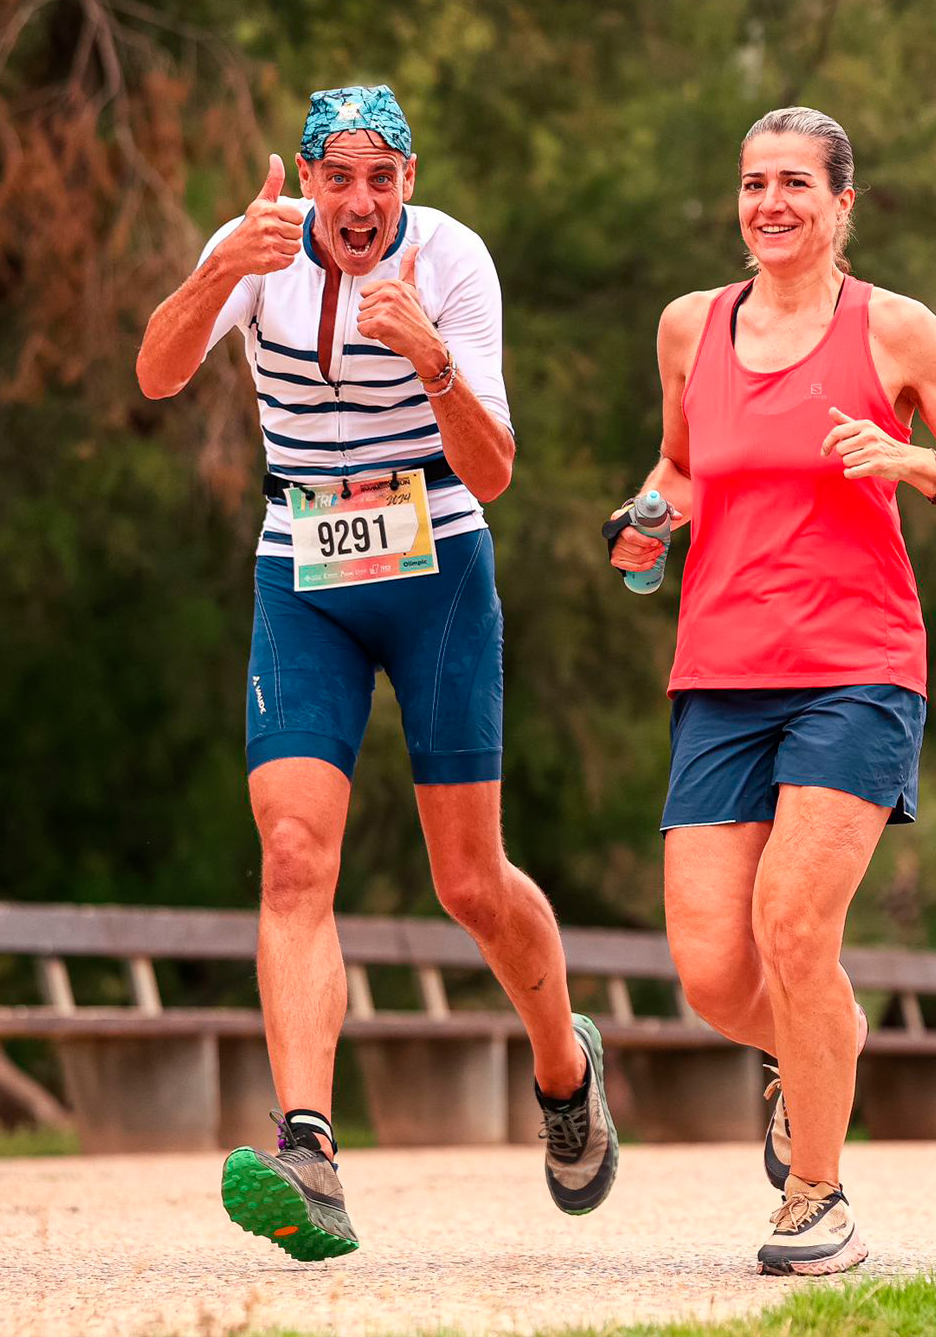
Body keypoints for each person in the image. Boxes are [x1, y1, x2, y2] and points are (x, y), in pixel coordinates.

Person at [136, 85, 616, 1261]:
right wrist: (212, 279)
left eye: (382, 179)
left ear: (409, 180)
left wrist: (432, 359)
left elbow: (495, 471)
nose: (360, 202)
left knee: (467, 881)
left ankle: (565, 1071)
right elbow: (154, 374)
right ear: (305, 178)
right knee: (294, 856)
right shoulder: (249, 245)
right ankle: (309, 1152)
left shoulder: (453, 260)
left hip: (435, 563)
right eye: (338, 177)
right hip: (299, 565)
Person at [609, 107, 936, 1275]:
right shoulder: (688, 327)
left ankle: (818, 1196)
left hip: (856, 669)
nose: (770, 203)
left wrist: (913, 463)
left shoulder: (895, 331)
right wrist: (650, 521)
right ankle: (824, 1042)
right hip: (719, 673)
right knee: (708, 971)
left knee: (794, 926)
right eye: (753, 183)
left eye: (796, 182)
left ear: (844, 204)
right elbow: (684, 467)